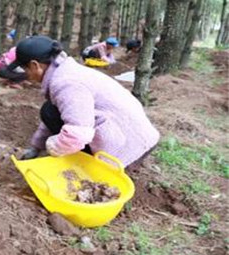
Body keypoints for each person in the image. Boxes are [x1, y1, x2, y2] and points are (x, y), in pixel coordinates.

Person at [12, 35, 159, 168]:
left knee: (51, 114)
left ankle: (94, 164)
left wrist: (53, 149)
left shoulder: (66, 83)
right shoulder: (65, 70)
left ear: (34, 65)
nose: (26, 74)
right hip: (134, 134)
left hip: (130, 146)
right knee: (50, 110)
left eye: (25, 69)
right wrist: (36, 147)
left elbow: (79, 133)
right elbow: (58, 114)